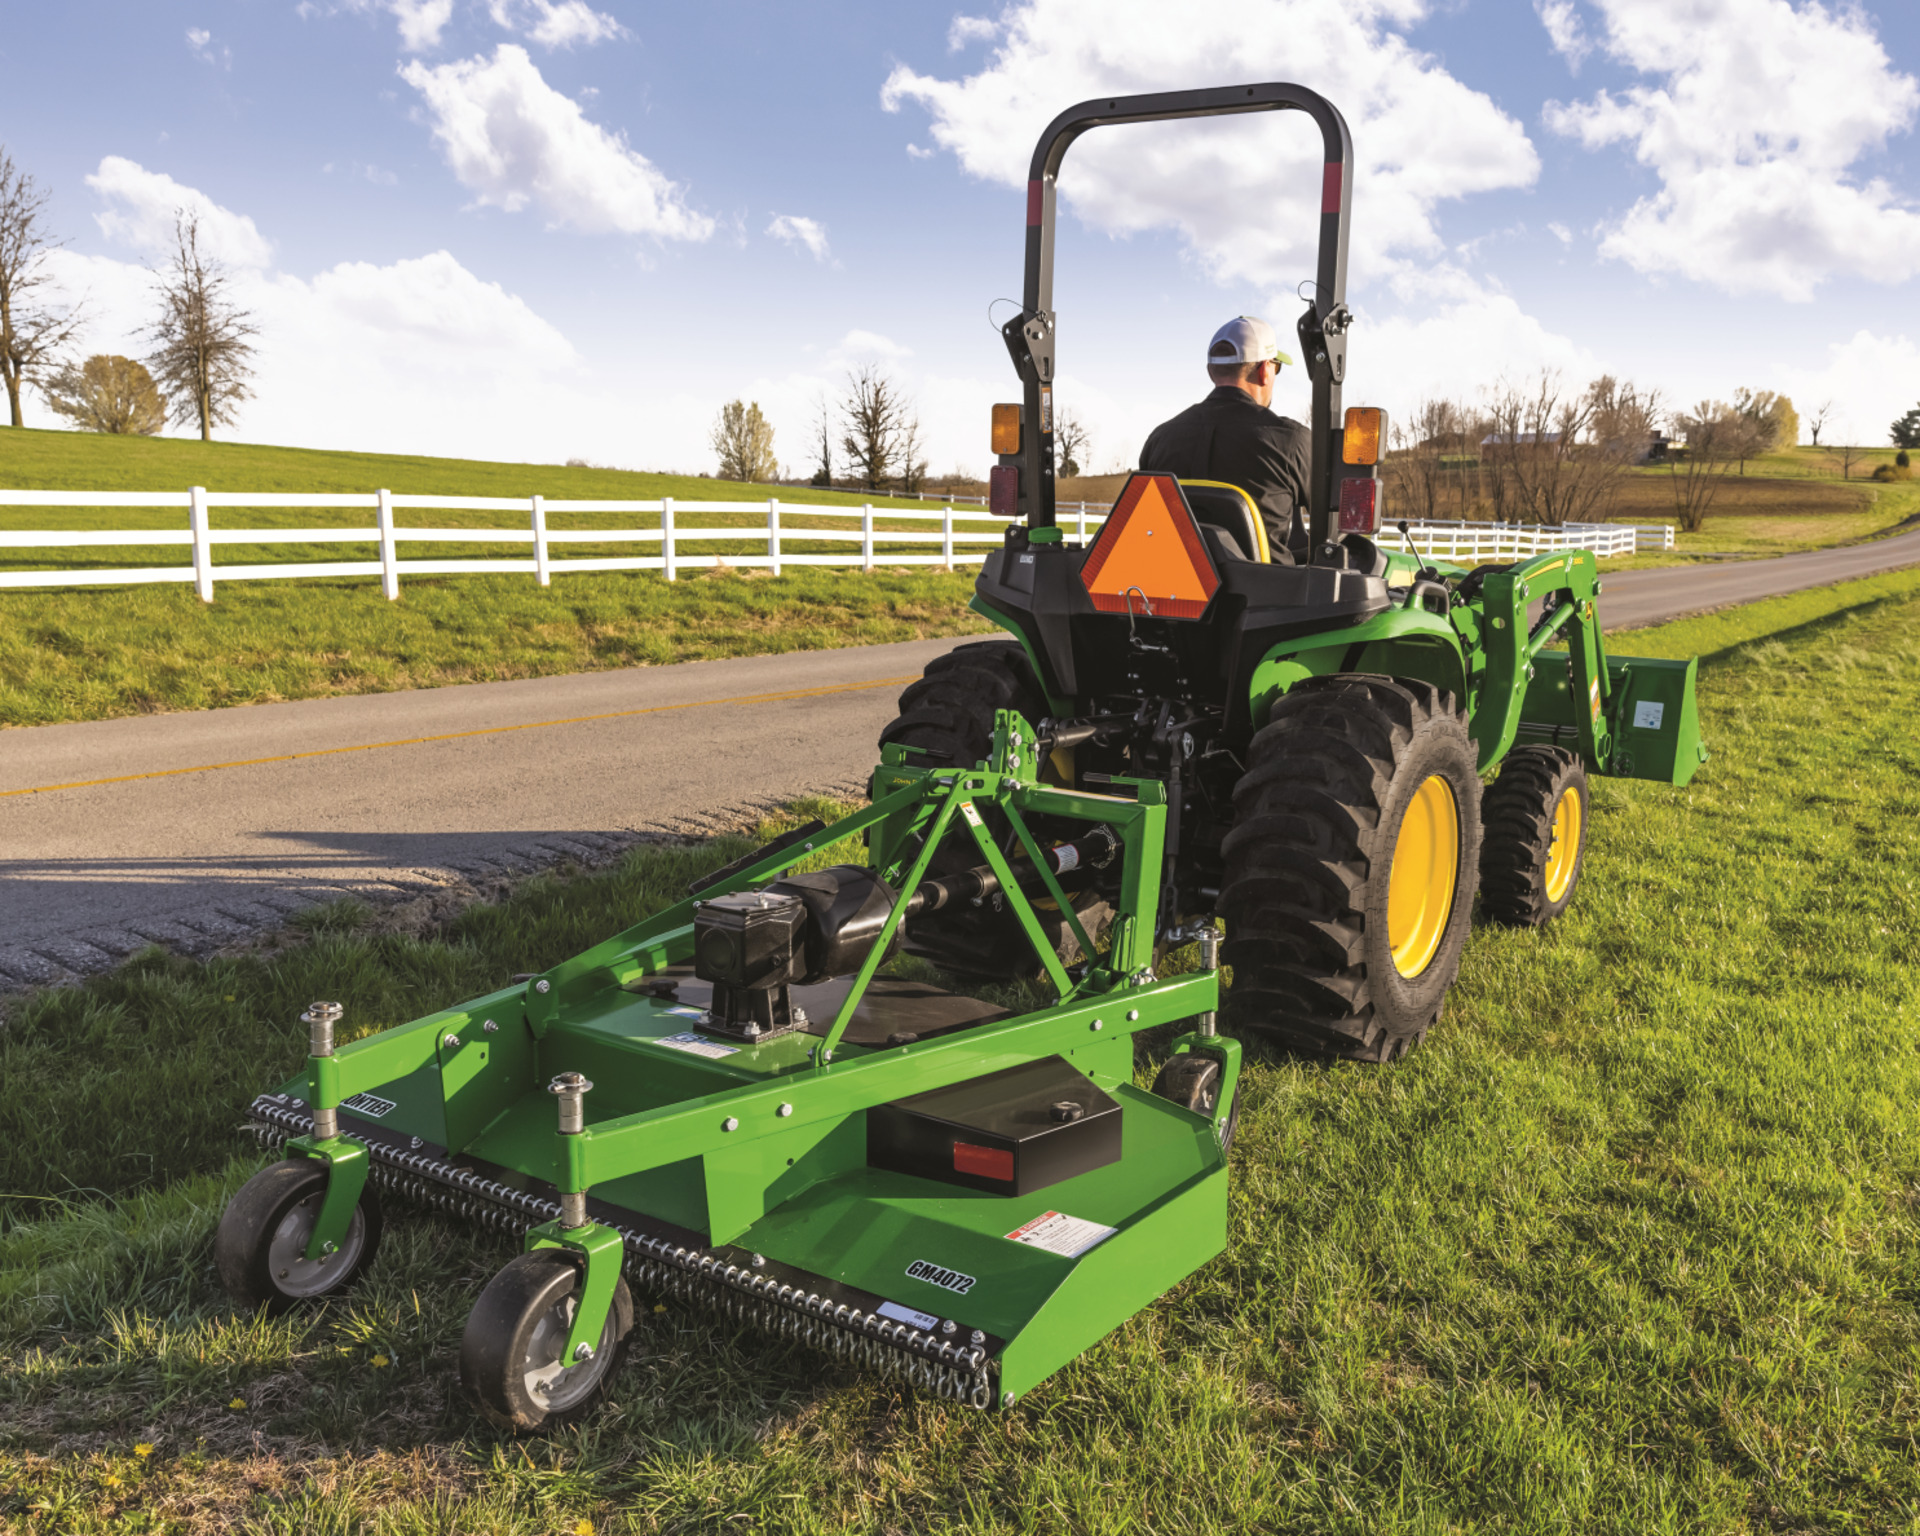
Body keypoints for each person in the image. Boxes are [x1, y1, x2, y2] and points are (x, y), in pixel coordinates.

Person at [1138, 315, 1312, 562]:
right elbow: (1332, 523)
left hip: (1183, 593)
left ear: (1211, 371)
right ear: (1264, 371)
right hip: (1268, 595)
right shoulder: (1291, 440)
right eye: (1277, 367)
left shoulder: (1159, 439)